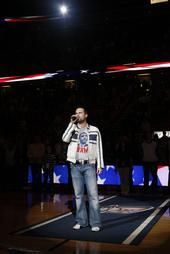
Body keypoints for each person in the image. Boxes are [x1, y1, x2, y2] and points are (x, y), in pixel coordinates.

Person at [62, 107, 104, 232]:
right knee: (79, 195)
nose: (77, 114)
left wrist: (100, 164)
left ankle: (95, 223)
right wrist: (71, 123)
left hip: (89, 165)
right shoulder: (73, 128)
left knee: (93, 196)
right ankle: (81, 221)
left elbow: (99, 147)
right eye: (76, 113)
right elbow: (64, 138)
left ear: (86, 115)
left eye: (80, 112)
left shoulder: (94, 130)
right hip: (75, 165)